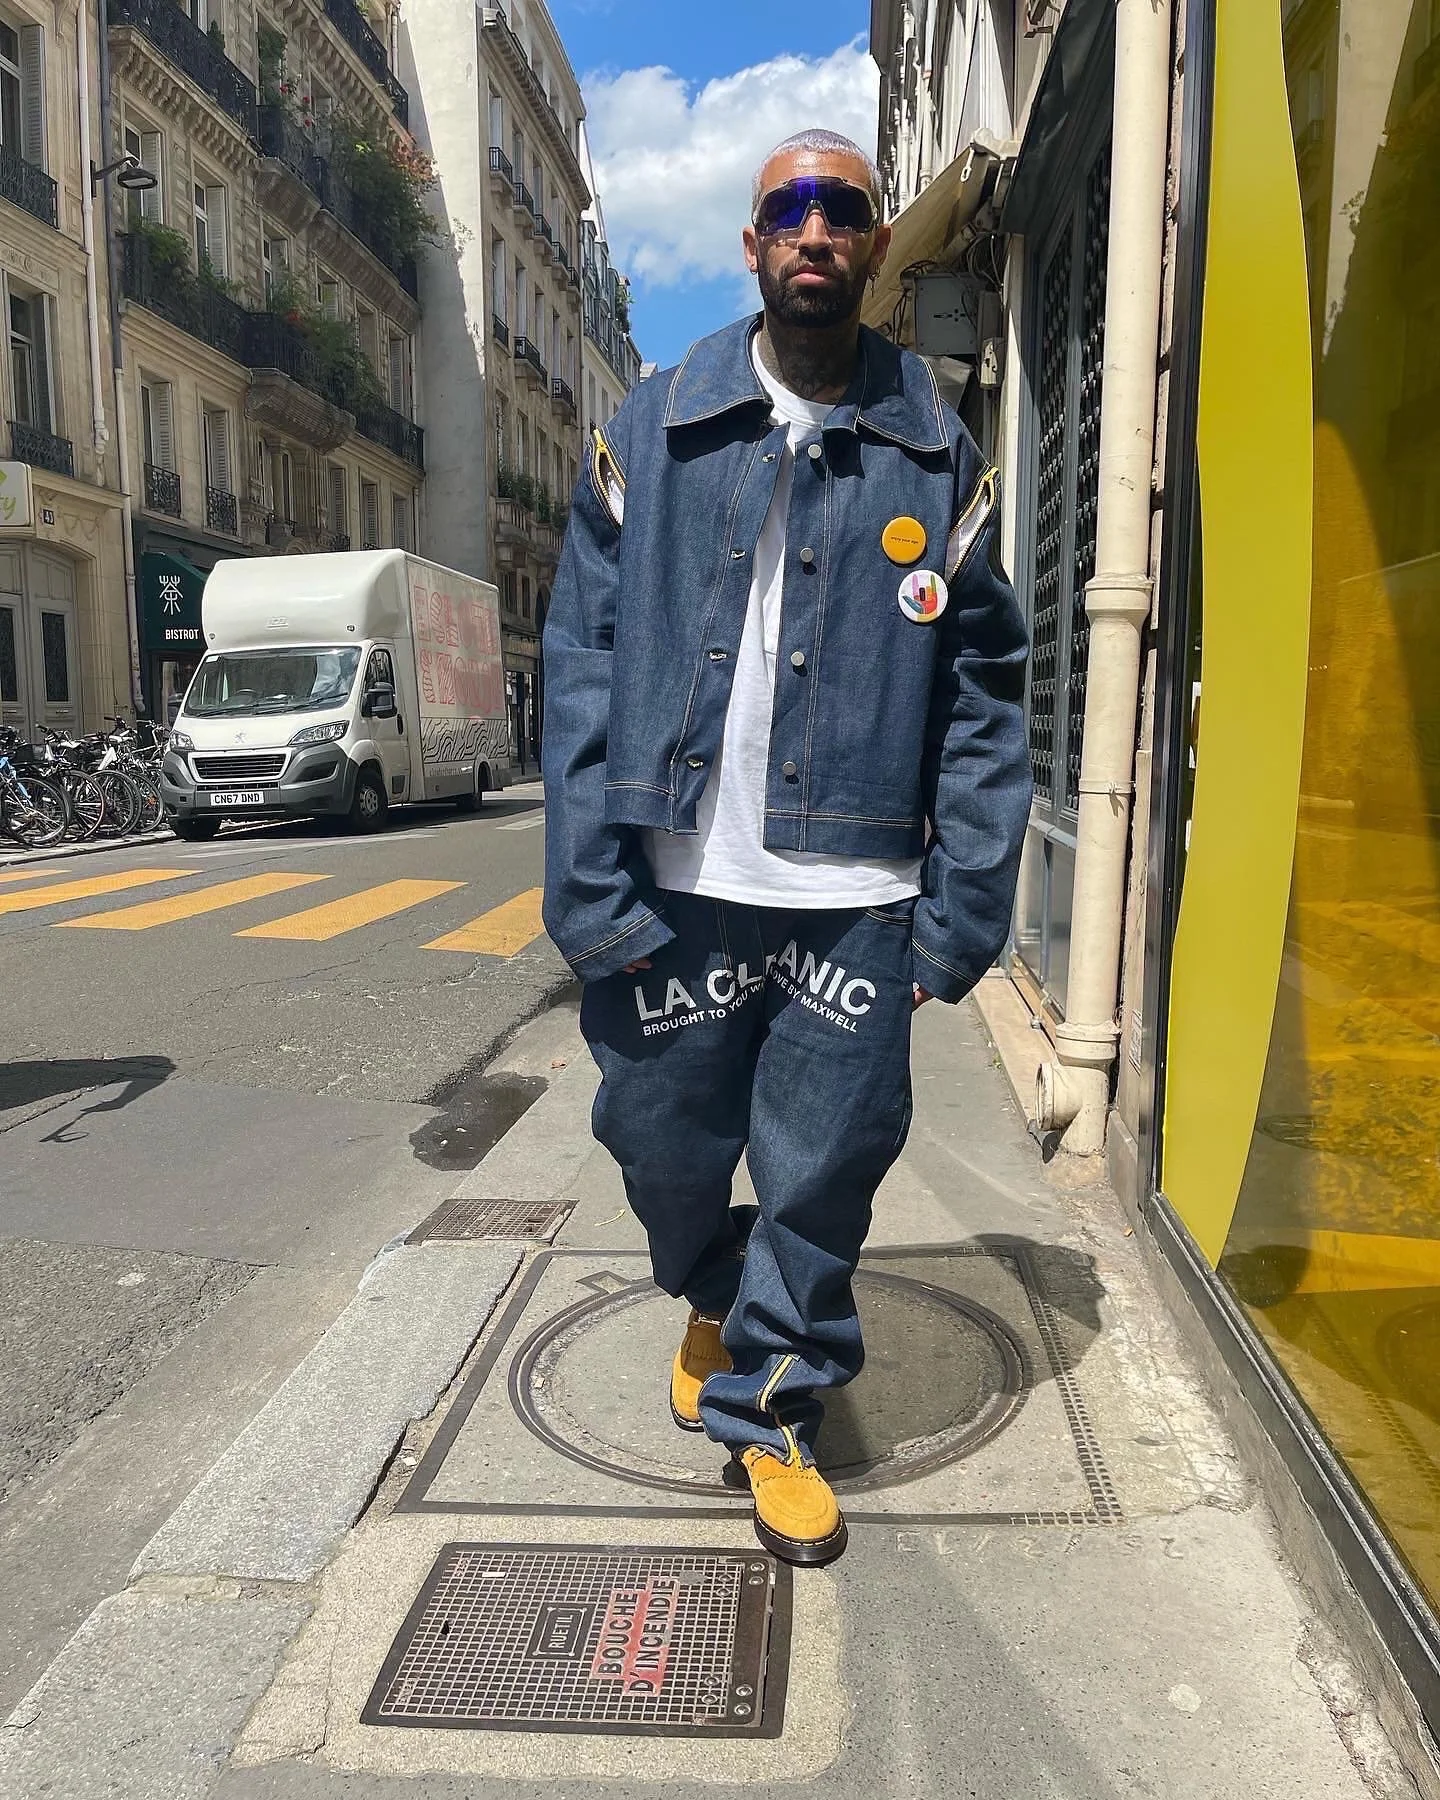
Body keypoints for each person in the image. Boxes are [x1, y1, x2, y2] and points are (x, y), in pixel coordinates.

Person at [542, 128, 1031, 1566]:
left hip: (856, 897)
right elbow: (580, 660)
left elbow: (987, 693)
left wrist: (961, 913)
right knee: (658, 1139)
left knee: (822, 1172)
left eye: (845, 210)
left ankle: (769, 1406)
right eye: (788, 210)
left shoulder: (940, 452)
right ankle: (712, 1284)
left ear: (877, 248)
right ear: (755, 244)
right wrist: (587, 883)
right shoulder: (649, 429)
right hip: (674, 884)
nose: (816, 231)